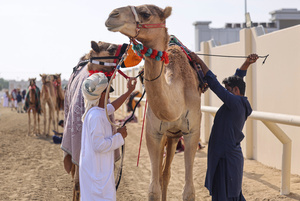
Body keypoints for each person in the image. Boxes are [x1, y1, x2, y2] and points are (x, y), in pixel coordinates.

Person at [189, 52, 258, 201]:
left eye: (228, 90)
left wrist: (199, 61)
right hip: (225, 157)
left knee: (228, 196)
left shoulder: (235, 103)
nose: (225, 92)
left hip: (227, 159)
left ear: (236, 91)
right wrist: (246, 63)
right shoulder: (237, 101)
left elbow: (214, 84)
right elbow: (238, 78)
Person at [79, 73, 137, 201]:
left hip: (97, 171)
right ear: (102, 95)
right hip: (97, 174)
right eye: (108, 92)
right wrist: (119, 137)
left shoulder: (97, 110)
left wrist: (129, 92)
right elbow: (99, 145)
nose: (110, 95)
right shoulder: (96, 117)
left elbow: (113, 106)